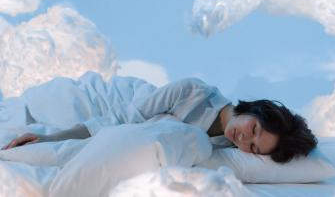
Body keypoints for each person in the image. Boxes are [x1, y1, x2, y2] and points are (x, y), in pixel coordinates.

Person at [1, 76, 317, 163]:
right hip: (123, 104)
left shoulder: (227, 149)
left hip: (138, 129)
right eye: (255, 130)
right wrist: (53, 139)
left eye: (256, 149)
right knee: (53, 107)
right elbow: (125, 115)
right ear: (255, 111)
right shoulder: (193, 91)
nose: (244, 141)